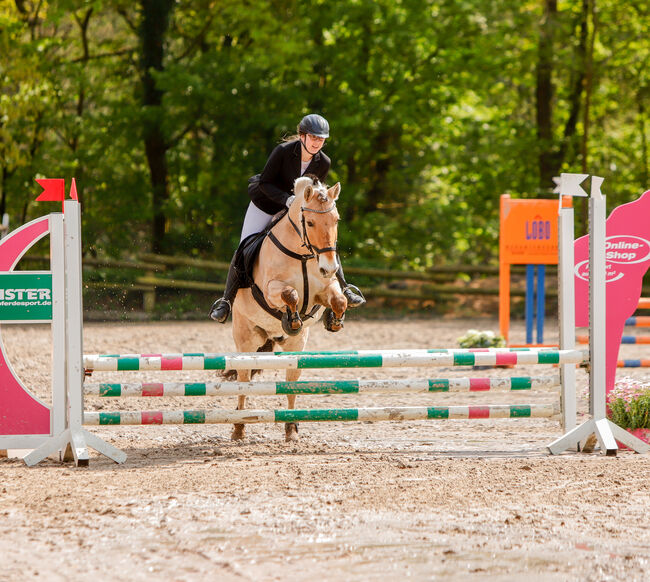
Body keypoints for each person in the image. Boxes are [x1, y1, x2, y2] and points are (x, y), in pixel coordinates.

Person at [209, 113, 365, 322]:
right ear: (302, 136)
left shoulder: (324, 162)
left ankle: (344, 288)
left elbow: (316, 192)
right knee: (245, 246)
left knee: (325, 241)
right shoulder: (282, 152)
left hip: (298, 211)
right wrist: (287, 199)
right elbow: (265, 183)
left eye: (321, 139)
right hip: (266, 203)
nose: (317, 143)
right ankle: (226, 301)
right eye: (313, 138)